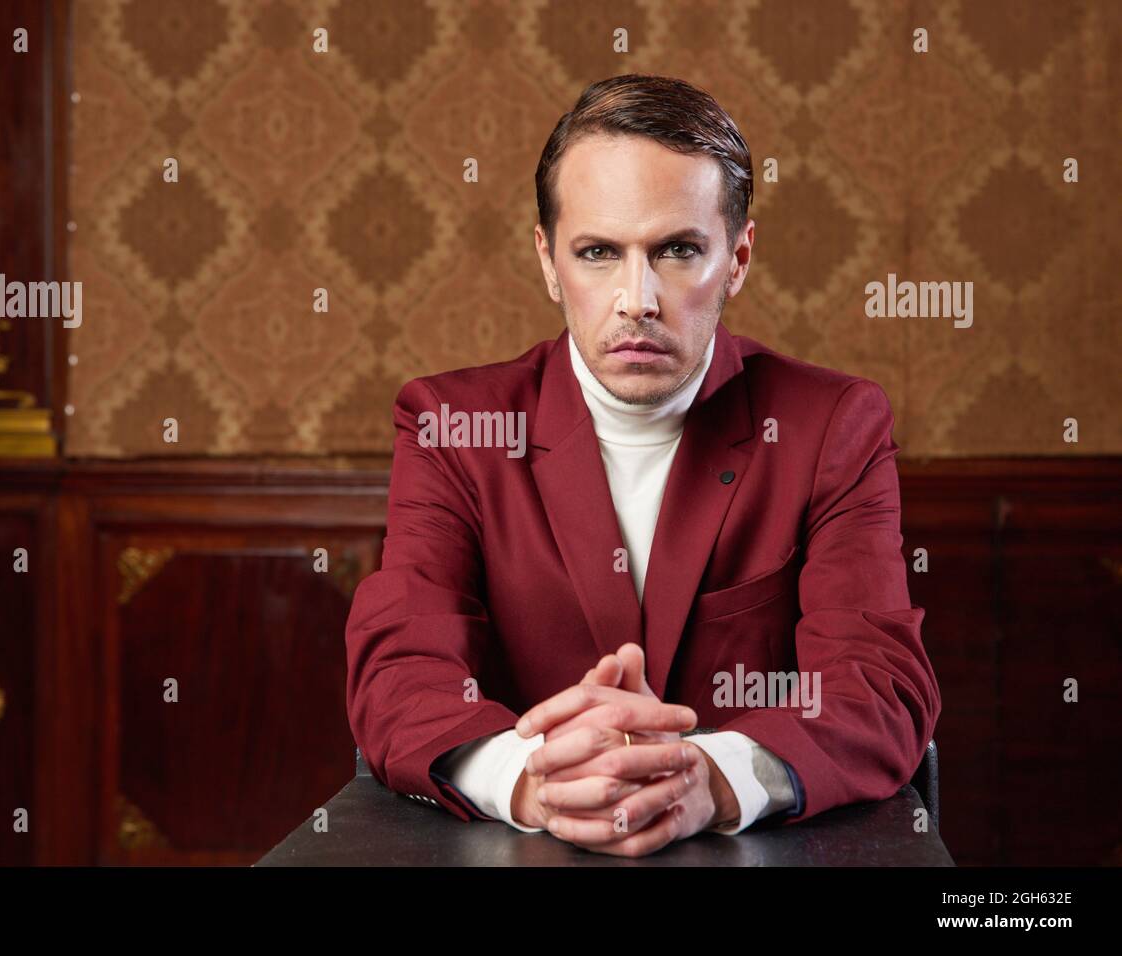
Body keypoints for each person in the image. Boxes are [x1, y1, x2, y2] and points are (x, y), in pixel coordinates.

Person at [345, 73, 940, 858]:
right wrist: (534, 779)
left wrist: (713, 776)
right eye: (597, 252)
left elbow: (878, 685)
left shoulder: (831, 427)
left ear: (738, 258)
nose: (638, 299)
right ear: (549, 262)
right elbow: (401, 670)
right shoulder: (452, 427)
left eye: (678, 250)